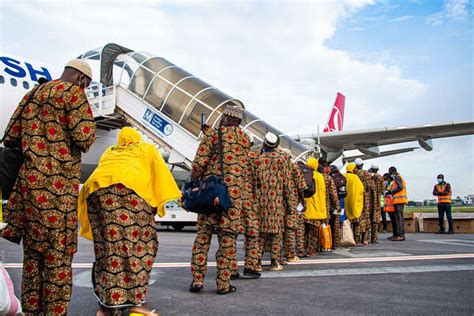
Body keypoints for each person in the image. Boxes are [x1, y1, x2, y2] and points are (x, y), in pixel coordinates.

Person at [0, 59, 97, 315]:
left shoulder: (33, 93)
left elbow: (10, 135)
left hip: (29, 188)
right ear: (81, 79)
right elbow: (85, 137)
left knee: (33, 259)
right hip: (58, 190)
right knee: (58, 260)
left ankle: (32, 311)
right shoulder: (73, 93)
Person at [77, 127, 181, 316]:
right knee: (141, 247)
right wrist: (160, 204)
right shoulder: (146, 148)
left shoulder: (111, 151)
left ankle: (106, 308)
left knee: (107, 249)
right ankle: (136, 303)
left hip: (95, 191)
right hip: (129, 190)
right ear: (136, 139)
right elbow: (160, 176)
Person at [189, 104, 251, 294]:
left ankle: (198, 280)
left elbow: (198, 165)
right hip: (233, 199)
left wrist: (193, 183)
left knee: (203, 238)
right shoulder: (245, 139)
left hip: (211, 194)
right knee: (227, 241)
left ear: (224, 117)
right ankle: (223, 284)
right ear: (239, 121)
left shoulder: (213, 135)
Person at [253, 132, 290, 271]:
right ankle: (275, 262)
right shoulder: (282, 160)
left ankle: (257, 262)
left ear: (264, 143)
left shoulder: (257, 159)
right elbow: (287, 184)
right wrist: (291, 205)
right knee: (276, 234)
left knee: (260, 235)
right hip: (277, 203)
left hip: (260, 203)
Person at [304, 158, 328, 256]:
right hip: (317, 209)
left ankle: (304, 249)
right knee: (314, 233)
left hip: (306, 209)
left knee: (305, 232)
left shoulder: (304, 175)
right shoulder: (320, 177)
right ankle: (312, 250)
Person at [354, 158, 374, 245]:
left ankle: (356, 239)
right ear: (362, 164)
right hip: (365, 198)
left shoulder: (354, 173)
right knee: (366, 218)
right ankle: (365, 239)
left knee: (357, 218)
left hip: (356, 197)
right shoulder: (366, 173)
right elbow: (371, 186)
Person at [344, 163, 364, 244]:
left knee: (346, 223)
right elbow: (361, 190)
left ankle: (347, 238)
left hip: (345, 203)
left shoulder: (343, 176)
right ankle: (356, 240)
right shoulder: (355, 178)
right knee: (356, 223)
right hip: (354, 203)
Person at [386, 166, 408, 241]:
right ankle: (398, 235)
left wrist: (391, 192)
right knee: (398, 218)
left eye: (390, 173)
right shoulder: (397, 178)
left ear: (392, 172)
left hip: (399, 200)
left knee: (398, 218)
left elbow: (400, 187)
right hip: (398, 200)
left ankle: (400, 235)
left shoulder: (397, 177)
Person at [328, 165, 347, 248]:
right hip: (340, 203)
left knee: (331, 222)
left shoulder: (331, 178)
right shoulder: (342, 177)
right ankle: (337, 241)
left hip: (332, 204)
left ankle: (331, 242)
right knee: (338, 222)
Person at [368, 164, 384, 243]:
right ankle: (374, 239)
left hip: (368, 202)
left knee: (367, 220)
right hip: (377, 203)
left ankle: (365, 239)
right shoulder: (381, 178)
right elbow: (382, 191)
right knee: (375, 221)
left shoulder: (368, 177)